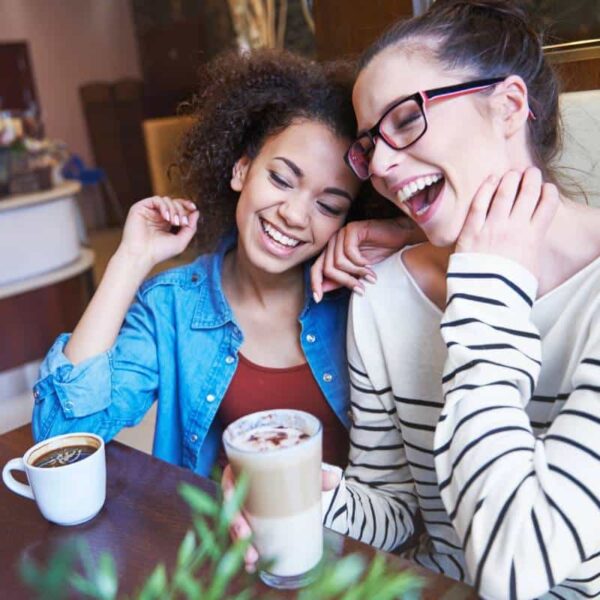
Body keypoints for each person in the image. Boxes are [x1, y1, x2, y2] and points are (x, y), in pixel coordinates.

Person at [231, 1, 600, 597]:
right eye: (368, 143)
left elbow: (517, 569)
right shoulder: (385, 293)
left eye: (405, 119)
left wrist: (487, 289)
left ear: (507, 106)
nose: (377, 165)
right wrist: (319, 499)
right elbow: (399, 516)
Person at [31, 50, 420, 476]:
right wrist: (130, 259)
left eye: (327, 206)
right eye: (281, 180)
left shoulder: (365, 290)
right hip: (228, 537)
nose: (294, 214)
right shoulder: (172, 305)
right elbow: (61, 435)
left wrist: (405, 234)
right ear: (241, 169)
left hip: (353, 538)